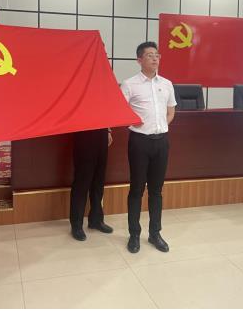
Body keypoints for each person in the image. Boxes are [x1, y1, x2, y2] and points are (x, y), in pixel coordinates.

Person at [120, 42, 176, 254]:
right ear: (139, 60)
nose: (155, 58)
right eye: (150, 55)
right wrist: (136, 123)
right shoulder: (129, 84)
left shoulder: (167, 84)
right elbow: (120, 111)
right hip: (139, 142)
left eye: (157, 55)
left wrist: (161, 126)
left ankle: (155, 233)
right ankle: (134, 234)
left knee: (156, 191)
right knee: (136, 189)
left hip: (161, 142)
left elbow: (171, 111)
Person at [69, 128, 114, 241]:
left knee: (99, 180)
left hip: (101, 132)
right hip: (84, 132)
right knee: (82, 182)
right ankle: (76, 225)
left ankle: (96, 219)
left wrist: (108, 131)